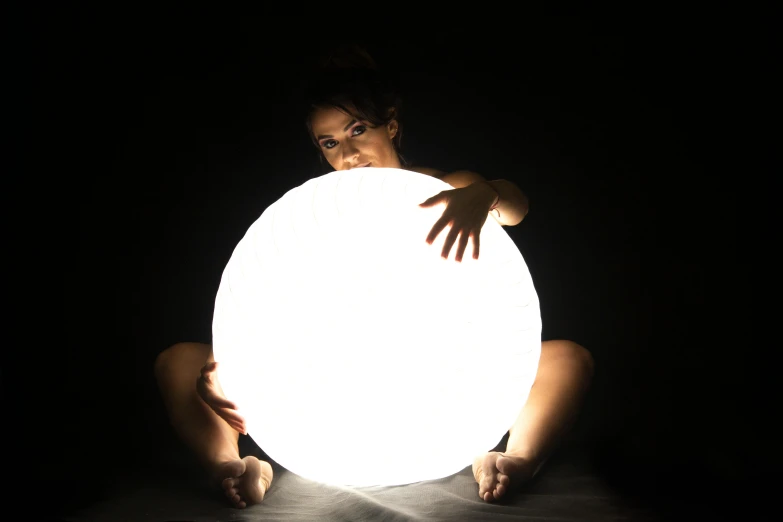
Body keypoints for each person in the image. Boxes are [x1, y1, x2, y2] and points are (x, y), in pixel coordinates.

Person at [154, 46, 595, 509]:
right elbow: (282, 310)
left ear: (392, 124)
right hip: (329, 380)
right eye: (329, 143)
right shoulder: (313, 216)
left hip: (438, 374)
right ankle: (231, 463)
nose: (348, 153)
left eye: (358, 130)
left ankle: (514, 459)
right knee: (180, 362)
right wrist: (234, 365)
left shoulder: (445, 190)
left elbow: (516, 208)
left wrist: (483, 194)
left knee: (569, 359)